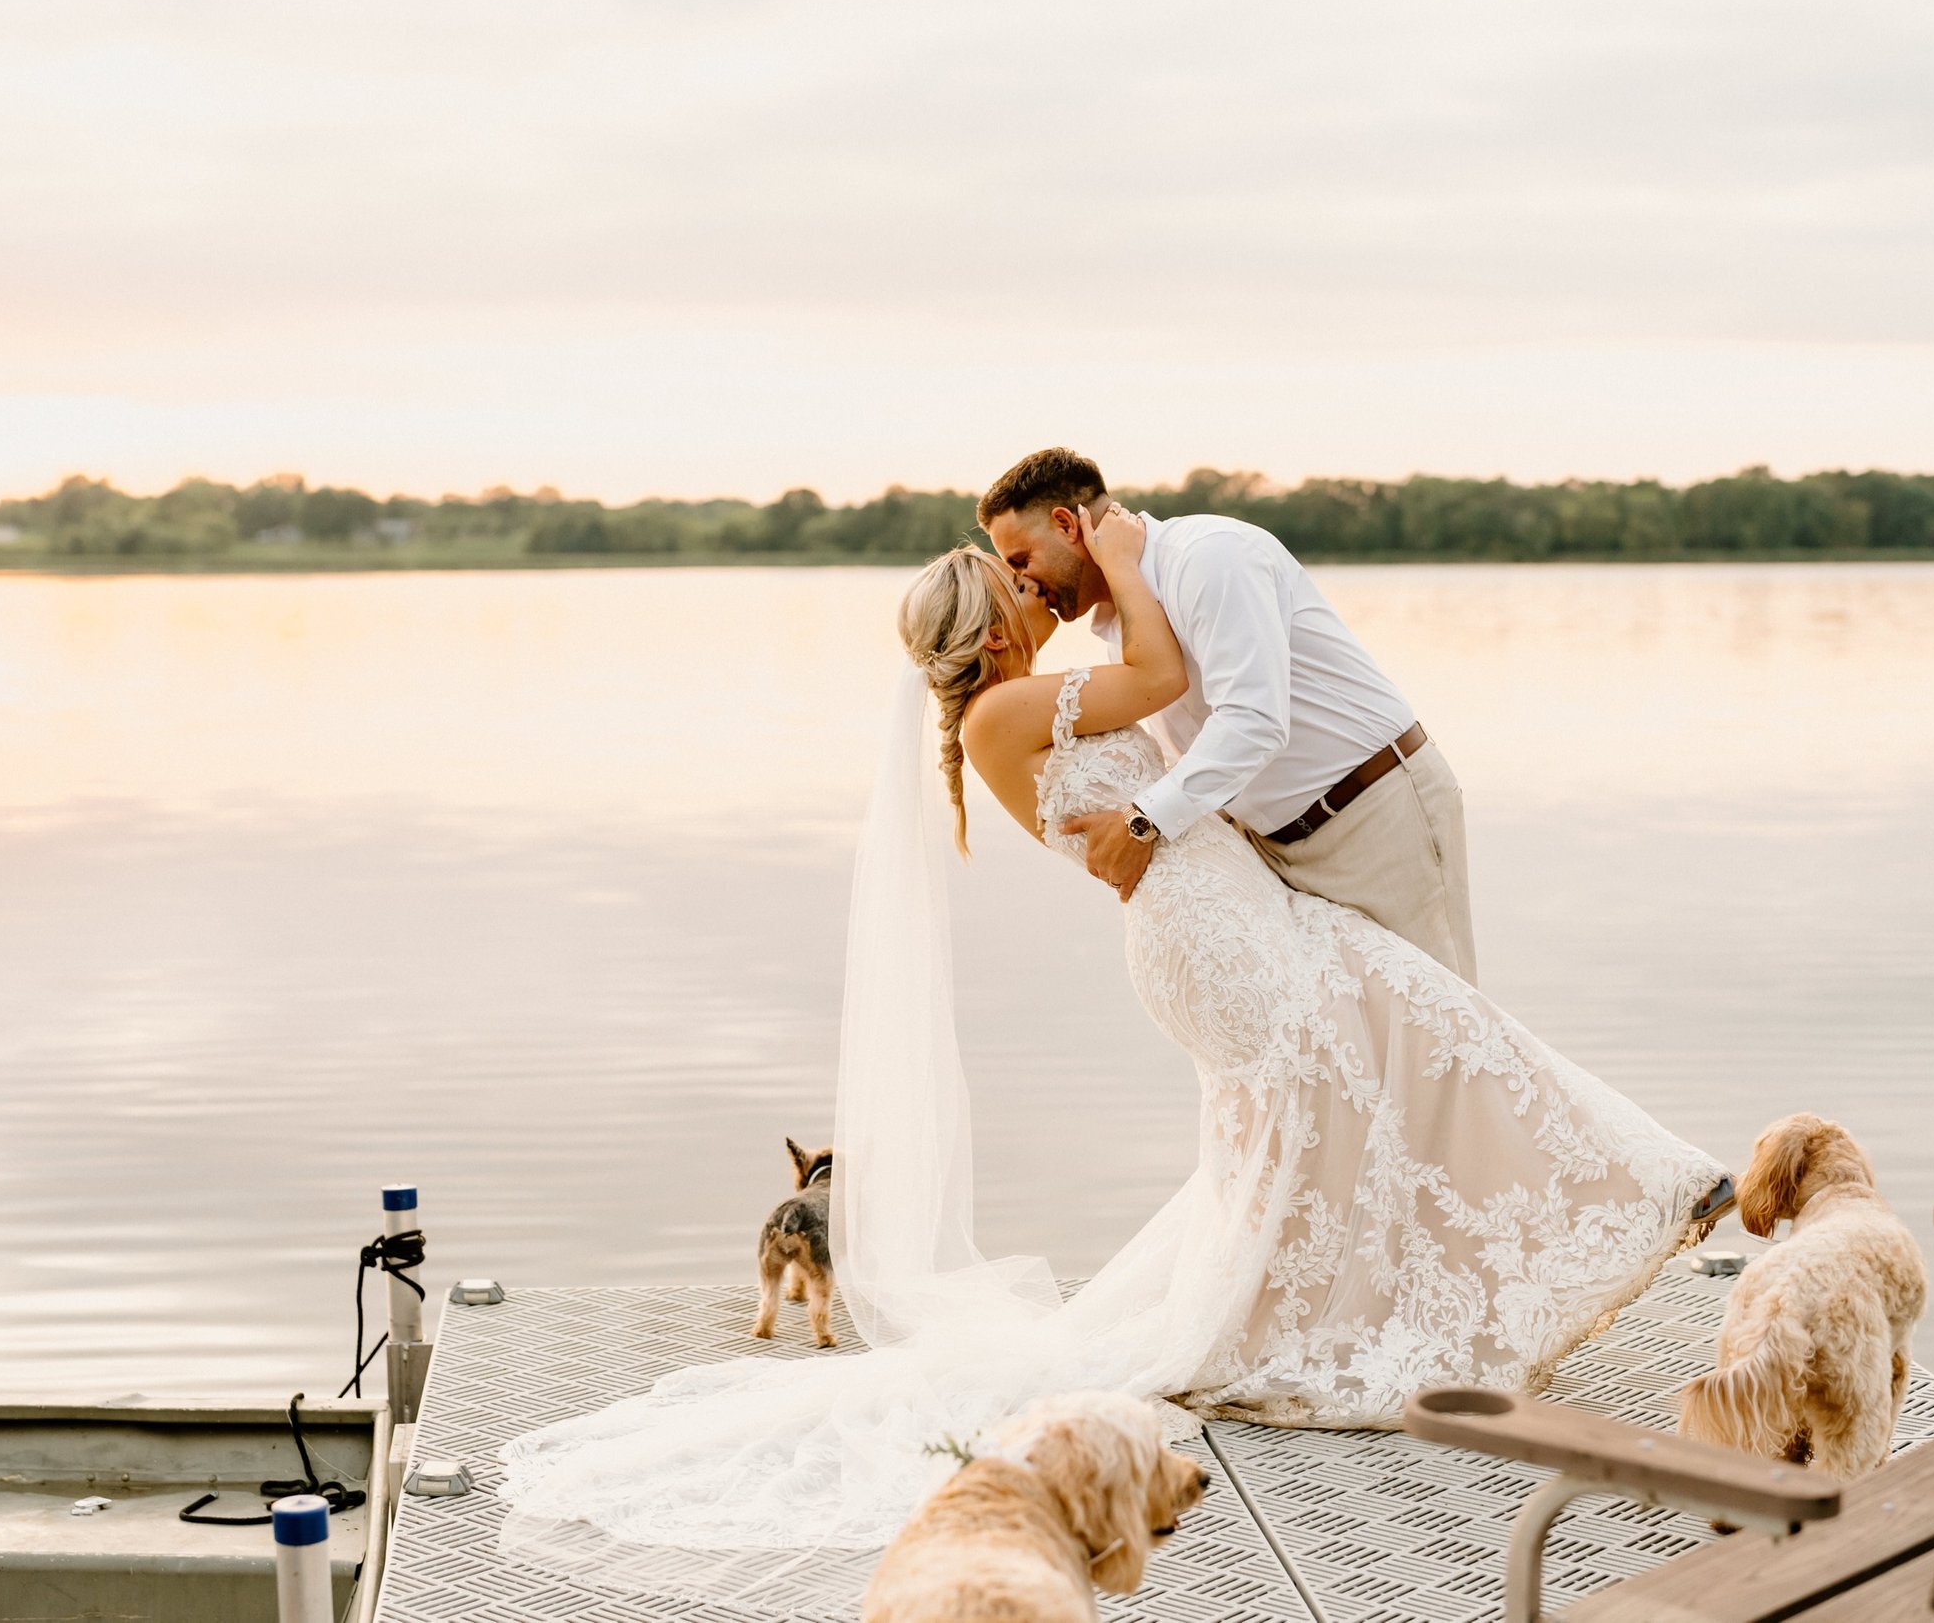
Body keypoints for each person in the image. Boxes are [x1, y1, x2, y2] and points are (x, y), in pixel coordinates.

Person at [494, 510, 1726, 1607]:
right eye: (1016, 585)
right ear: (990, 623)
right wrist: (1129, 561)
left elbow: (1172, 706)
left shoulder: (999, 715)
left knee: (1351, 1078)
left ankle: (1415, 1273)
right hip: (1214, 933)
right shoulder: (1012, 708)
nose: (1037, 594)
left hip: (1218, 923)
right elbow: (1166, 673)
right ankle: (1618, 1198)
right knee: (1412, 1034)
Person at [982, 446, 1477, 981]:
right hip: (1273, 849)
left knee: (1442, 1037)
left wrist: (1142, 821)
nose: (1027, 584)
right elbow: (1188, 744)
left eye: (1021, 560)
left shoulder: (1210, 558)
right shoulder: (1120, 622)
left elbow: (1253, 720)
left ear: (1065, 525)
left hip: (1371, 814)